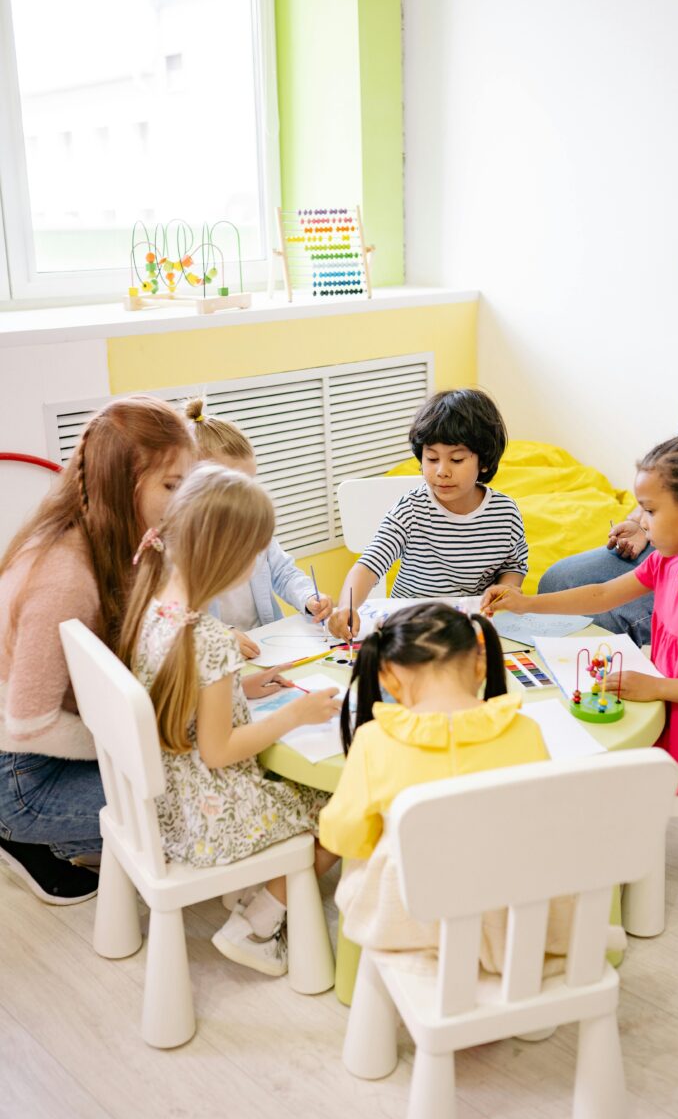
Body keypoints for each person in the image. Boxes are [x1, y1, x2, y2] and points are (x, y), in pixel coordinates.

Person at [119, 463, 340, 975]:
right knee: (339, 807)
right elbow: (219, 751)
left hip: (164, 801)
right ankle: (259, 926)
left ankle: (254, 894)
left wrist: (244, 687)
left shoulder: (155, 605)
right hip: (207, 814)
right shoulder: (210, 638)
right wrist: (297, 714)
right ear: (233, 556)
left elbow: (182, 694)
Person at [319, 602, 616, 973]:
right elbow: (542, 823)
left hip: (408, 925)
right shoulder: (525, 731)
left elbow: (344, 838)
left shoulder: (374, 740)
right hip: (514, 922)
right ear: (481, 663)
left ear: (388, 678)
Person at [482, 433, 678, 794]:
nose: (643, 523)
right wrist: (524, 604)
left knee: (599, 783)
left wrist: (655, 687)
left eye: (650, 510)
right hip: (667, 709)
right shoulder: (670, 560)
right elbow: (603, 595)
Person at [538, 218, 678, 646]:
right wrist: (642, 520)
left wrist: (665, 519)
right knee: (557, 582)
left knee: (625, 617)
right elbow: (671, 469)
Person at [0, 395, 193, 905]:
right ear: (121, 483)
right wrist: (138, 746)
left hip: (59, 747)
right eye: (173, 486)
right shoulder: (63, 575)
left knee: (187, 777)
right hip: (22, 774)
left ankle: (69, 836)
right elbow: (28, 724)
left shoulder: (125, 541)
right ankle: (28, 837)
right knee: (188, 803)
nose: (186, 499)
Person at [327, 389, 527, 639]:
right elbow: (369, 565)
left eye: (456, 460)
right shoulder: (411, 509)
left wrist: (506, 590)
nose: (442, 471)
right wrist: (347, 606)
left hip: (470, 629)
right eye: (432, 458)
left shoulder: (505, 513)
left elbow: (514, 565)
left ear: (484, 462)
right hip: (412, 626)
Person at [183, 397, 333, 660]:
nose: (246, 495)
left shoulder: (254, 529)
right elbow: (184, 618)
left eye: (250, 483)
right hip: (217, 657)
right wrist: (222, 634)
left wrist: (309, 597)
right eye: (234, 486)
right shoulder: (182, 550)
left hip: (265, 646)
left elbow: (284, 573)